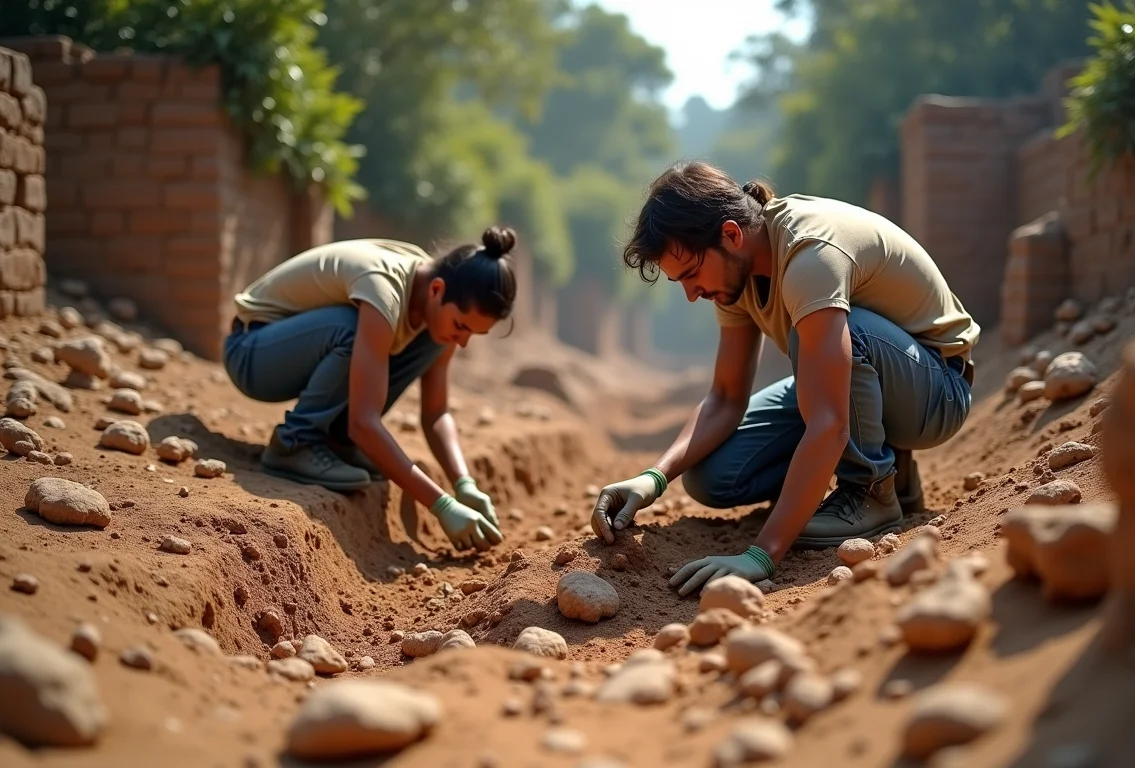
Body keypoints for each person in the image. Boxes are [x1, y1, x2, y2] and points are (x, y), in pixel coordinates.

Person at [590, 161, 979, 594]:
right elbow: (724, 397)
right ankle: (885, 474)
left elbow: (829, 422)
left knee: (829, 337)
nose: (691, 293)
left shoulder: (810, 256)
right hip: (864, 380)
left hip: (936, 391)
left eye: (692, 274)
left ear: (732, 234)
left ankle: (870, 490)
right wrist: (653, 478)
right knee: (713, 475)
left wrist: (762, 554)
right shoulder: (733, 272)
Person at [222, 227, 520, 553]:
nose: (462, 341)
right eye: (462, 326)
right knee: (350, 326)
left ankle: (335, 440)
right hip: (252, 353)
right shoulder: (384, 289)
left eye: (473, 335)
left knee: (434, 340)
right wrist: (441, 505)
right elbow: (364, 421)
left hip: (287, 352)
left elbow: (436, 413)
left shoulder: (434, 304)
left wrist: (464, 484)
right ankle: (294, 443)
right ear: (437, 290)